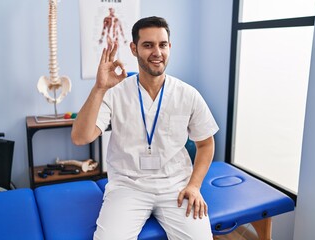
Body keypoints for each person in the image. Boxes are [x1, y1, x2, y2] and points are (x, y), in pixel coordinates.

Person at [72, 16, 219, 240]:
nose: (157, 52)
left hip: (176, 187)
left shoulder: (188, 94)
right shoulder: (114, 91)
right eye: (148, 45)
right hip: (128, 186)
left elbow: (206, 143)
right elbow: (81, 137)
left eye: (162, 44)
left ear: (170, 47)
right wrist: (99, 87)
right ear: (134, 49)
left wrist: (195, 186)